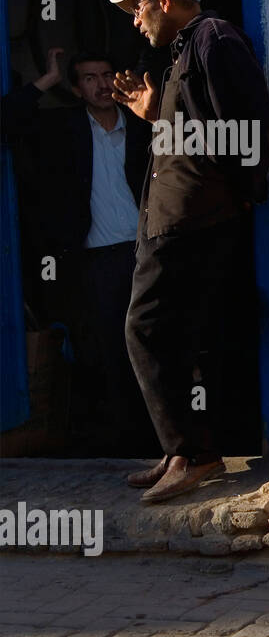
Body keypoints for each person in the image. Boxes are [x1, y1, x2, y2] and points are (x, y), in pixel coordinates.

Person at [108, 0, 269, 503]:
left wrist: (241, 192)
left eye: (137, 7)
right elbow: (198, 127)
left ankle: (193, 452)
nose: (136, 22)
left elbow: (251, 122)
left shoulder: (215, 38)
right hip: (176, 215)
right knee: (181, 333)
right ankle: (185, 451)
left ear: (162, 0)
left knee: (145, 327)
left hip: (192, 217)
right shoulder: (184, 49)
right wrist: (156, 113)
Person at [2, 47, 155, 454]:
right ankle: (125, 443)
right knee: (107, 351)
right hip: (96, 261)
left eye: (107, 74)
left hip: (147, 253)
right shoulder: (62, 129)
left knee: (156, 346)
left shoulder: (144, 126)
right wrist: (47, 80)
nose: (102, 84)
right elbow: (5, 121)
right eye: (89, 77)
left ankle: (168, 443)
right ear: (75, 88)